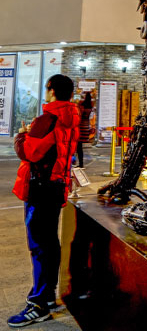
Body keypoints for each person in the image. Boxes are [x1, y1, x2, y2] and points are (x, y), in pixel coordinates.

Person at [8, 74, 80, 328]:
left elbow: (29, 152)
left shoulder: (47, 118)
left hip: (39, 189)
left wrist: (20, 135)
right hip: (56, 185)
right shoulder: (71, 117)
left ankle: (38, 304)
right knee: (50, 242)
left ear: (51, 90)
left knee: (39, 246)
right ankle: (47, 295)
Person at [76, 92, 93, 168]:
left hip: (80, 127)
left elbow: (79, 114)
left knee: (78, 146)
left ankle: (79, 163)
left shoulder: (81, 105)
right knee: (80, 147)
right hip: (86, 127)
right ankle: (81, 163)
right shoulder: (90, 106)